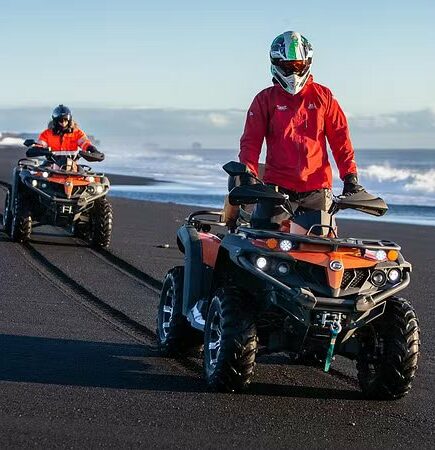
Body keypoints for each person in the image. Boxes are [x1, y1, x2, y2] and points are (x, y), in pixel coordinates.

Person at [237, 30, 363, 229]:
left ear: (307, 63)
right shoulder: (265, 99)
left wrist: (350, 177)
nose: (294, 72)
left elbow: (341, 140)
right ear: (276, 64)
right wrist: (248, 175)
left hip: (317, 190)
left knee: (320, 252)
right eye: (288, 66)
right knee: (262, 242)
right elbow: (250, 143)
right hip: (276, 189)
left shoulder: (324, 96)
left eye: (298, 65)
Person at [36, 104, 101, 156]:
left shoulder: (77, 133)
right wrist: (36, 149)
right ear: (56, 121)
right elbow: (41, 144)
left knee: (83, 171)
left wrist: (92, 149)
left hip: (71, 165)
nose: (63, 122)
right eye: (61, 120)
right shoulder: (47, 134)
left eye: (66, 120)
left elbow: (84, 143)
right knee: (39, 171)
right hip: (51, 163)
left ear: (69, 120)